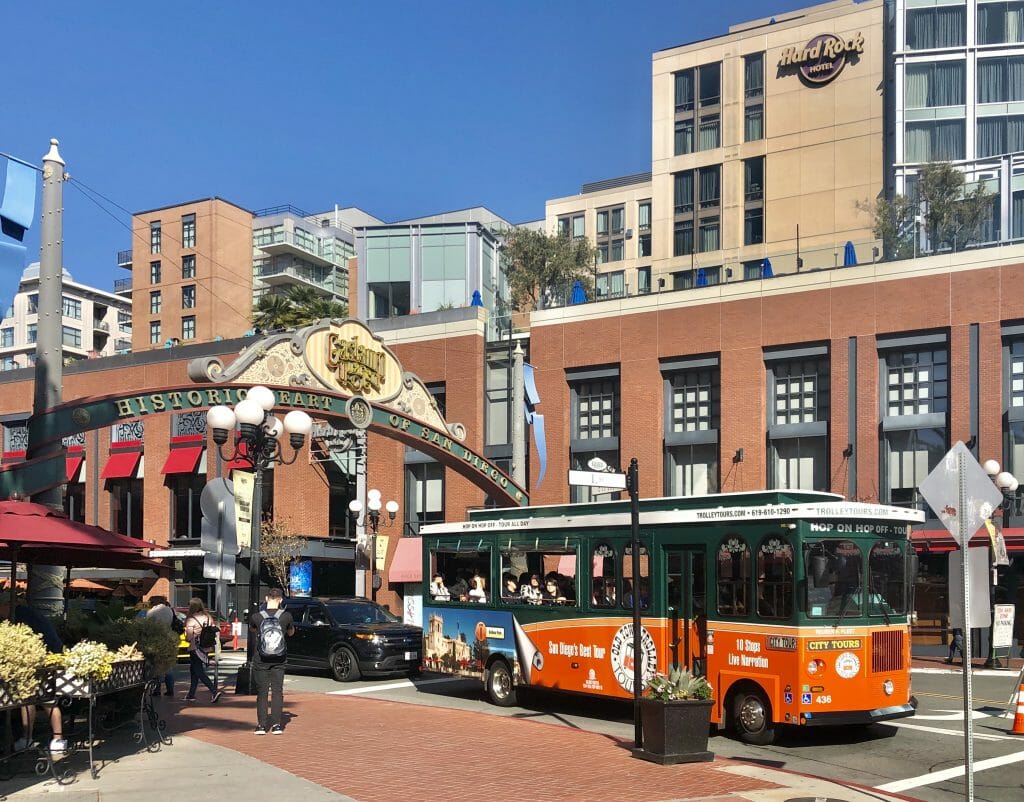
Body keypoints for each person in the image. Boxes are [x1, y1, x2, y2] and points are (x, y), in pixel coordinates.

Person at [0, 600, 67, 754]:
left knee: (44, 700)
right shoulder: (27, 613)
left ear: (6, 606)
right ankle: (54, 740)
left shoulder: (22, 618)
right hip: (47, 659)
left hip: (42, 661)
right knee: (38, 699)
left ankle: (46, 739)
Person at [248, 588, 295, 735]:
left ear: (267, 598)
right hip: (279, 658)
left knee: (262, 693)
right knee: (277, 691)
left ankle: (261, 726)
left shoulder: (257, 616)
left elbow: (253, 630)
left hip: (261, 658)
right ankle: (277, 725)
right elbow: (291, 632)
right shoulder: (286, 616)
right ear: (280, 600)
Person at [184, 598, 222, 703]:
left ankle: (214, 691)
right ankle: (191, 694)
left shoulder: (191, 619)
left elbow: (189, 637)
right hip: (206, 647)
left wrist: (188, 635)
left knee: (199, 671)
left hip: (195, 648)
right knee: (194, 671)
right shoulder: (208, 617)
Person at [145, 595, 176, 696]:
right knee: (168, 667)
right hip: (169, 639)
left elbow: (148, 626)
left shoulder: (152, 612)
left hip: (156, 640)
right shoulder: (169, 610)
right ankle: (170, 689)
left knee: (156, 666)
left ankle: (157, 689)